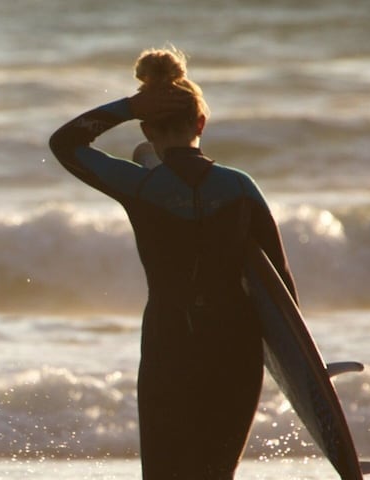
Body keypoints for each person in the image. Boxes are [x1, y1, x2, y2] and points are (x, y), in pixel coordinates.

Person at [46, 45, 298, 479]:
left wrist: (125, 107)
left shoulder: (137, 185)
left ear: (146, 129)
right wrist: (297, 369)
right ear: (201, 122)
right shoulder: (240, 188)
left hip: (170, 343)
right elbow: (282, 291)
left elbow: (65, 144)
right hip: (235, 348)